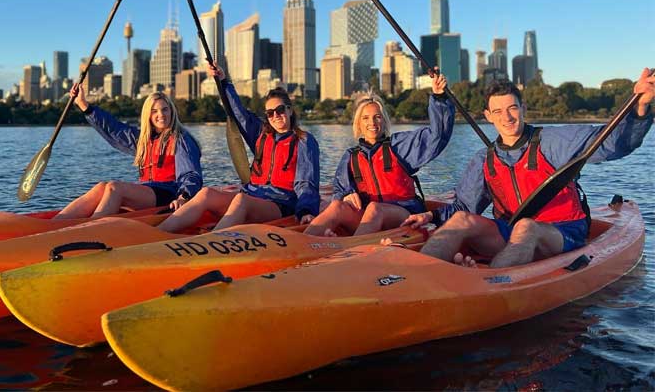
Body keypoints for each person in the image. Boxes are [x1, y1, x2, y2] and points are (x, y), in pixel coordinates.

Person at [400, 69, 654, 268]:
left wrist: (640, 109)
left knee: (527, 227)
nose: (507, 117)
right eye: (498, 111)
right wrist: (431, 217)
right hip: (512, 232)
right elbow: (464, 208)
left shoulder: (553, 142)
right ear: (488, 116)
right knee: (461, 220)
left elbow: (612, 144)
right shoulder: (483, 160)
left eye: (512, 108)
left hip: (564, 231)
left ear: (522, 109)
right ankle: (418, 274)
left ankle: (491, 283)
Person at [157, 61, 320, 232]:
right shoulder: (261, 135)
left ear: (290, 110)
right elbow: (239, 113)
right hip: (252, 194)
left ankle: (212, 241)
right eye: (270, 113)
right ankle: (158, 234)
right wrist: (223, 81)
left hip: (280, 203)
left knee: (241, 200)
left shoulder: (304, 141)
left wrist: (306, 211)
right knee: (206, 193)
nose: (275, 116)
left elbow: (306, 182)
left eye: (280, 110)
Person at [304, 72, 454, 236]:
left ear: (384, 121)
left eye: (377, 117)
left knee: (376, 208)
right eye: (366, 118)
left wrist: (439, 98)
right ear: (359, 124)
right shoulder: (351, 156)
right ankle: (304, 243)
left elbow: (436, 137)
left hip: (404, 214)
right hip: (370, 218)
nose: (372, 123)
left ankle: (350, 253)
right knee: (337, 206)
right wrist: (346, 194)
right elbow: (340, 188)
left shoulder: (399, 146)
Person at [55, 83, 202, 219]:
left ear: (171, 111)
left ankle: (91, 228)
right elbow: (114, 129)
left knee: (114, 187)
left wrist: (184, 196)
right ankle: (56, 223)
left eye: (165, 109)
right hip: (148, 190)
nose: (161, 114)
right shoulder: (143, 139)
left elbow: (190, 174)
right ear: (148, 115)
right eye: (154, 111)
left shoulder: (181, 139)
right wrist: (83, 105)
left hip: (170, 193)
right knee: (101, 187)